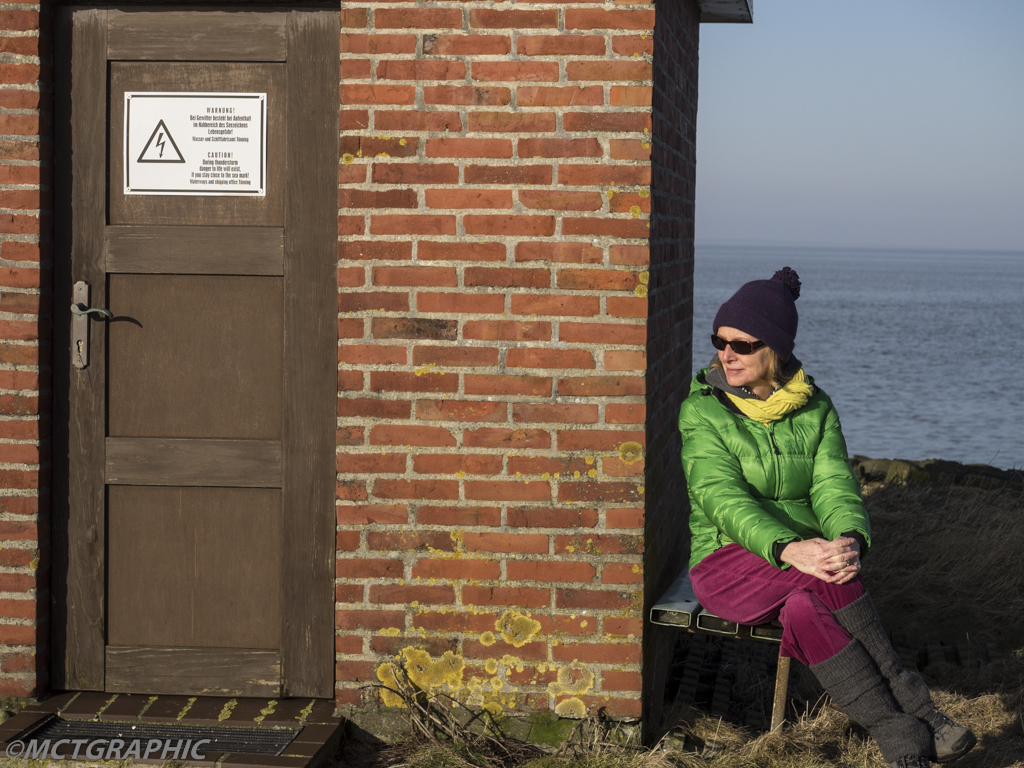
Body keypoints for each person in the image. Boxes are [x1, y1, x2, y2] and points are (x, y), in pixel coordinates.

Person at [677, 267, 976, 768]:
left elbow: (835, 487)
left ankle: (903, 745)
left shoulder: (816, 410)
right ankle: (923, 714)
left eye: (742, 344)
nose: (726, 354)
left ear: (773, 348)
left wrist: (849, 537)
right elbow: (721, 498)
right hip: (728, 564)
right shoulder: (703, 411)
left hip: (805, 569)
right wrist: (790, 547)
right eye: (719, 341)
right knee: (821, 572)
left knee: (808, 603)